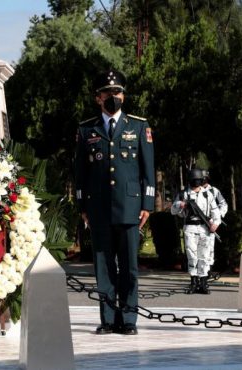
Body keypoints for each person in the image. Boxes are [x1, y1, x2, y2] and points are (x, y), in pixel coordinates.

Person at [74, 70, 155, 335]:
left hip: (130, 207)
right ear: (98, 98)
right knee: (104, 267)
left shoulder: (138, 126)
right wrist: (81, 205)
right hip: (98, 208)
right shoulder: (87, 129)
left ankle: (128, 321)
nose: (113, 97)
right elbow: (80, 173)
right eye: (108, 93)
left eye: (117, 92)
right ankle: (108, 319)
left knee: (129, 268)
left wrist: (148, 203)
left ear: (124, 95)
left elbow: (148, 169)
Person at [171, 169, 222, 294]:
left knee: (203, 256)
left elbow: (215, 211)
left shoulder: (207, 194)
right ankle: (194, 282)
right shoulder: (184, 194)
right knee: (192, 255)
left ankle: (203, 283)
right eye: (195, 180)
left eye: (198, 180)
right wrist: (180, 204)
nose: (196, 182)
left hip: (204, 229)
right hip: (190, 228)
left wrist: (216, 223)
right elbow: (173, 210)